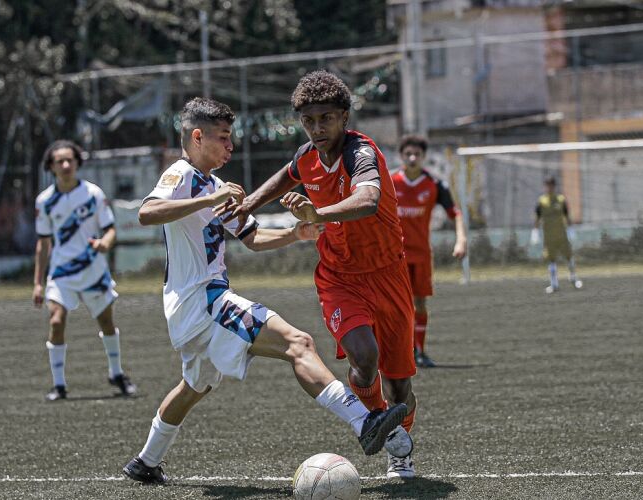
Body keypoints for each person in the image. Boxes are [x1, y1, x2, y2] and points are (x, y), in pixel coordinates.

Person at [122, 97, 408, 484]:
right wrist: (208, 200)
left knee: (195, 385)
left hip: (196, 304)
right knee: (299, 343)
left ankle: (145, 462)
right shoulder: (182, 174)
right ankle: (365, 422)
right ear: (197, 136)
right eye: (223, 138)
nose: (230, 146)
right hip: (203, 299)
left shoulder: (217, 185)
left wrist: (296, 233)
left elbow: (253, 237)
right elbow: (147, 212)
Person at [230, 70, 418, 478]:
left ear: (344, 117)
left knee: (399, 381)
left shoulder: (361, 153)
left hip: (388, 274)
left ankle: (400, 447)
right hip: (339, 276)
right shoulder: (306, 156)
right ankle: (380, 429)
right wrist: (250, 204)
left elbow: (367, 199)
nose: (317, 128)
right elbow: (285, 176)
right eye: (309, 121)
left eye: (326, 119)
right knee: (364, 358)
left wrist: (318, 214)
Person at [33, 140, 137, 401]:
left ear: (78, 162)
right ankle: (59, 385)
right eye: (60, 161)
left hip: (93, 270)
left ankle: (116, 373)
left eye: (71, 160)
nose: (66, 165)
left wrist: (105, 242)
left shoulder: (93, 194)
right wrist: (37, 283)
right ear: (51, 166)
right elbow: (43, 243)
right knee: (56, 321)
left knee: (106, 323)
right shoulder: (45, 201)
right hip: (61, 273)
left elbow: (110, 228)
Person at [391, 135, 467, 368]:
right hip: (394, 256)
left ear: (423, 157)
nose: (412, 158)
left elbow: (455, 213)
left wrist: (461, 240)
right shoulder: (390, 182)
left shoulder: (435, 185)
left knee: (420, 304)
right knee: (395, 306)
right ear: (401, 156)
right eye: (408, 154)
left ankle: (419, 351)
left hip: (421, 254)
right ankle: (396, 352)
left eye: (417, 154)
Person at [531, 176, 583, 293]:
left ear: (554, 186)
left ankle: (574, 278)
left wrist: (570, 230)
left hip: (562, 235)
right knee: (551, 260)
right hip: (549, 237)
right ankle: (554, 284)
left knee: (569, 257)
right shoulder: (541, 201)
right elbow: (537, 217)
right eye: (547, 185)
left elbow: (567, 215)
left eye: (551, 185)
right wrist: (535, 232)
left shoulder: (561, 199)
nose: (549, 188)